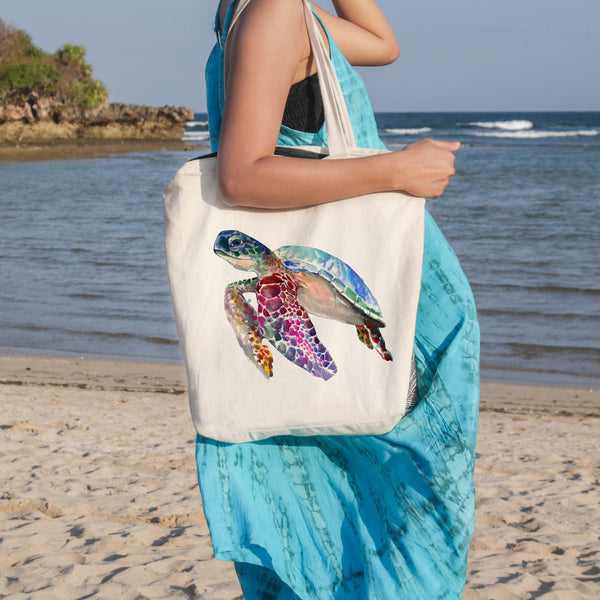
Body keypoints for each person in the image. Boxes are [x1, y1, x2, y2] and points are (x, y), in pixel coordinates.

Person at [197, 1, 480, 598]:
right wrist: (393, 170)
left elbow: (382, 43)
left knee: (345, 497)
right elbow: (241, 177)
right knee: (410, 510)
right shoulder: (274, 11)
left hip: (365, 305)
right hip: (384, 310)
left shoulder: (264, 11)